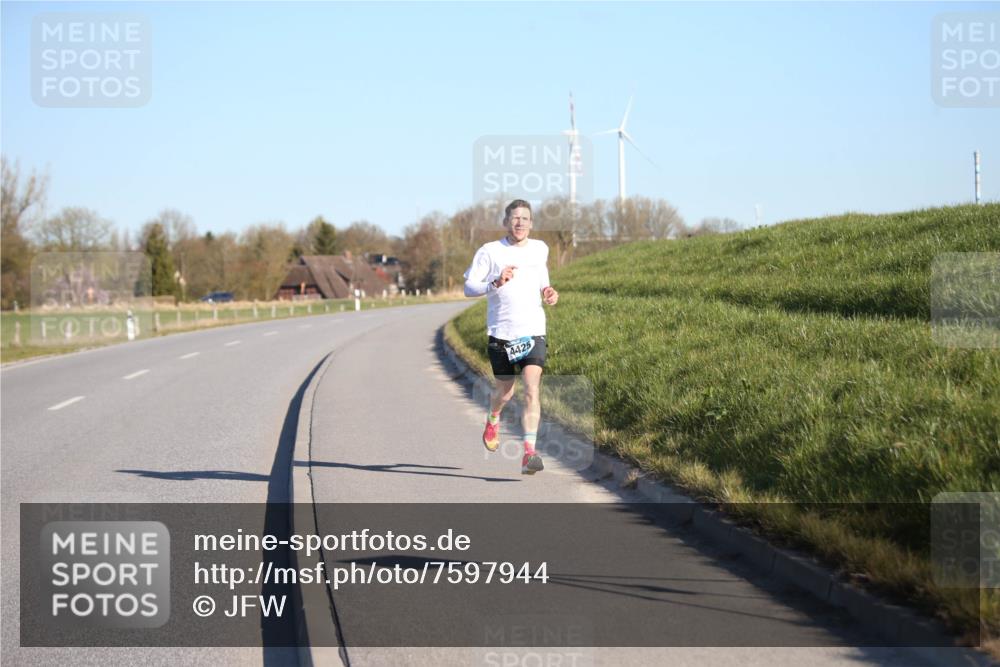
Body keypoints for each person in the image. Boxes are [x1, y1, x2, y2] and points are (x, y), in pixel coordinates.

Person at [463, 199, 559, 474]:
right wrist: (495, 281)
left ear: (531, 223)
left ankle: (529, 453)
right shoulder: (490, 251)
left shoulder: (540, 248)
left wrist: (548, 291)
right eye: (514, 218)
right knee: (505, 393)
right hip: (501, 333)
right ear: (506, 222)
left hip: (532, 330)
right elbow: (469, 287)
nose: (520, 223)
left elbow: (542, 275)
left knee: (532, 389)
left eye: (525, 218)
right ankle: (493, 418)